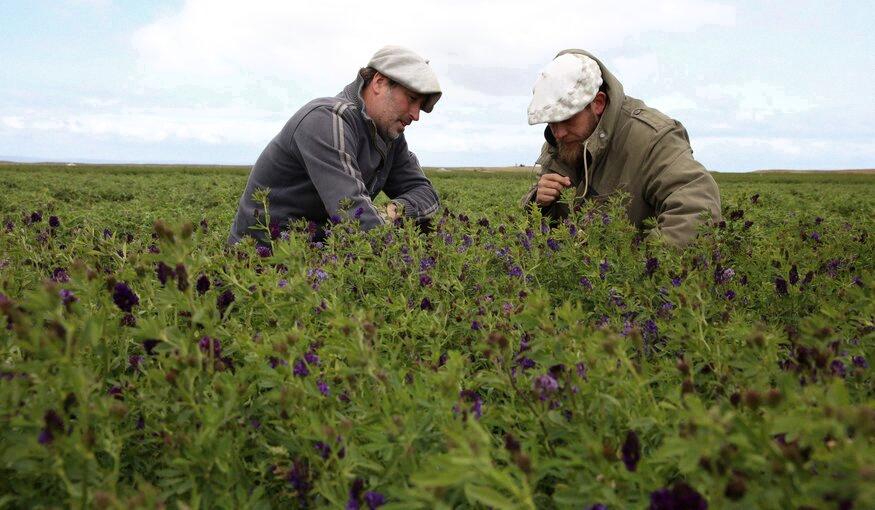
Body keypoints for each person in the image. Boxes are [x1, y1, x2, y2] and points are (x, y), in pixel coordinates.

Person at [229, 45, 442, 245]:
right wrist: (401, 260)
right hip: (259, 265)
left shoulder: (389, 136)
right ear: (378, 82)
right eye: (411, 98)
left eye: (420, 106)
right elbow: (353, 215)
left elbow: (426, 194)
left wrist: (394, 209)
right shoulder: (327, 120)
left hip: (319, 258)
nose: (416, 115)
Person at [521, 49, 721, 246]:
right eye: (551, 122)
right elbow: (547, 236)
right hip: (585, 275)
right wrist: (540, 203)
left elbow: (696, 209)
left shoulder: (652, 138)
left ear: (598, 103)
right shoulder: (560, 144)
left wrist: (644, 269)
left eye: (567, 119)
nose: (558, 133)